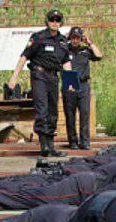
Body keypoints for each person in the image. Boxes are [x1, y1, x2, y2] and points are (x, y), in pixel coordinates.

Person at [6, 9, 72, 157]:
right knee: (42, 110)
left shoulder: (62, 41)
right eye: (52, 19)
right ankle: (45, 147)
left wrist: (70, 83)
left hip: (54, 77)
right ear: (47, 21)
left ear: (61, 22)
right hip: (39, 75)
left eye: (57, 20)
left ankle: (51, 146)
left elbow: (66, 62)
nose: (54, 22)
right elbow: (24, 57)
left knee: (53, 112)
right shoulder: (39, 37)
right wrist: (14, 78)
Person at [63, 27, 101, 150]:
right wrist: (64, 39)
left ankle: (85, 141)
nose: (75, 40)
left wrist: (89, 42)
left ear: (81, 38)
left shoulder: (85, 50)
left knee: (84, 114)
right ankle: (73, 142)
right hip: (69, 83)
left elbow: (99, 55)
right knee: (70, 115)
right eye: (73, 38)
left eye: (77, 38)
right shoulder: (65, 50)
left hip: (83, 84)